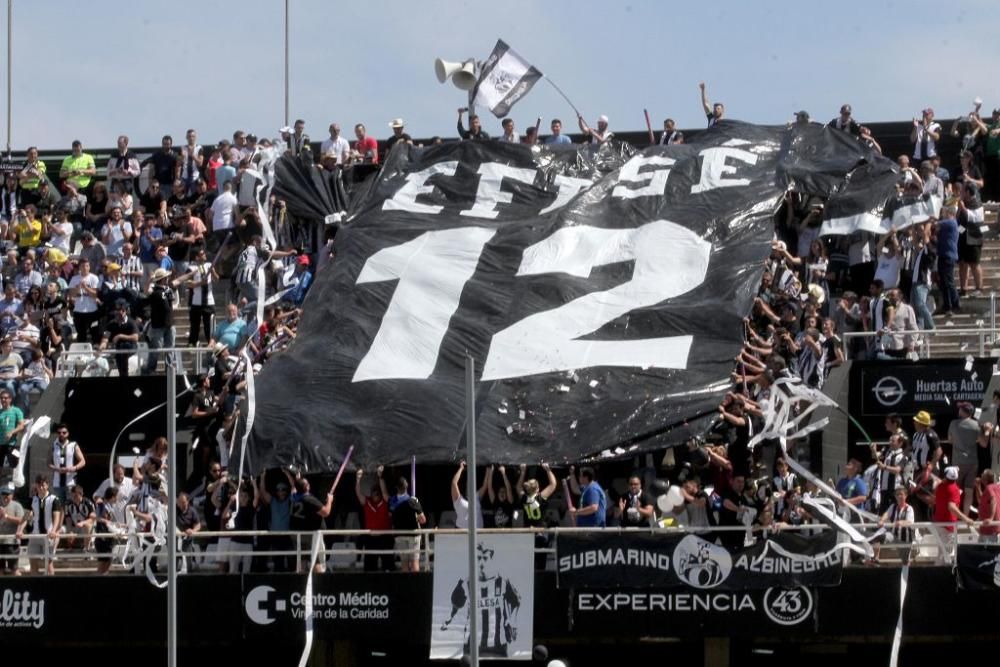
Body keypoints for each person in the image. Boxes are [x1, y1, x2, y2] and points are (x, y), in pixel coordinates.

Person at [517, 463, 557, 569]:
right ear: (537, 489)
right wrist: (548, 470)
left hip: (528, 533)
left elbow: (517, 487)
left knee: (528, 563)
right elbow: (553, 484)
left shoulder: (524, 498)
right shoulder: (540, 498)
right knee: (540, 564)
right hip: (540, 534)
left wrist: (523, 472)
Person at [933, 466, 976, 562]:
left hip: (938, 524)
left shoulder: (940, 486)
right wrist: (966, 519)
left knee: (941, 553)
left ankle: (938, 572)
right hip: (948, 526)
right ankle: (942, 575)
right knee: (946, 555)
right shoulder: (954, 489)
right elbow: (951, 507)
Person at [354, 466, 392, 572]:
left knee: (387, 566)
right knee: (370, 568)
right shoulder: (367, 502)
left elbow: (384, 492)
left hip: (385, 538)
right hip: (371, 539)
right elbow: (358, 493)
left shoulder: (385, 502)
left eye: (376, 493)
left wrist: (380, 478)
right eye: (373, 492)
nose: (374, 494)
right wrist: (358, 480)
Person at [257, 469, 294, 572]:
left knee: (292, 560)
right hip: (275, 535)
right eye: (278, 489)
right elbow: (262, 490)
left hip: (287, 535)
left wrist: (287, 473)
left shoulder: (289, 500)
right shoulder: (272, 500)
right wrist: (263, 476)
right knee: (278, 562)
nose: (281, 491)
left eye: (283, 489)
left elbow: (293, 487)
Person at [948, 402, 981, 514]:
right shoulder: (977, 425)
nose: (958, 411)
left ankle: (955, 515)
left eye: (960, 409)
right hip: (972, 462)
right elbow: (983, 443)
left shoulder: (953, 424)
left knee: (955, 489)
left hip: (958, 462)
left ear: (963, 411)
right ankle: (965, 515)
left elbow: (950, 440)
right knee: (969, 491)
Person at [389, 476, 426, 572]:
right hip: (413, 534)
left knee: (404, 563)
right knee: (414, 563)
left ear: (397, 487)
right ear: (407, 486)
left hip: (399, 535)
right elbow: (423, 520)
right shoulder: (413, 500)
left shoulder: (392, 501)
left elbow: (390, 515)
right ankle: (415, 585)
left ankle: (406, 586)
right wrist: (416, 518)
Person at [28, 475, 62, 575]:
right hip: (35, 535)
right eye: (39, 485)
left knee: (49, 563)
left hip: (48, 536)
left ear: (47, 485)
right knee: (33, 562)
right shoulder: (32, 499)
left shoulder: (54, 499)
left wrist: (54, 531)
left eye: (43, 485)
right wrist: (20, 529)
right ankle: (35, 586)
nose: (41, 487)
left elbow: (57, 517)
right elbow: (26, 516)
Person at [877, 486, 915, 564]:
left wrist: (900, 523)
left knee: (905, 561)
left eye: (901, 494)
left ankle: (906, 573)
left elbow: (909, 522)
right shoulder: (893, 506)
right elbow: (887, 514)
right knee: (878, 536)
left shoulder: (909, 508)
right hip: (893, 536)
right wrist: (881, 520)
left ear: (906, 495)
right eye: (897, 494)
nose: (899, 496)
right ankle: (874, 558)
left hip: (905, 539)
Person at [935, 201, 960, 315]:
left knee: (948, 282)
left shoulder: (951, 222)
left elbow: (936, 224)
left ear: (949, 213)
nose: (942, 215)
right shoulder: (948, 224)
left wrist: (931, 219)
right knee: (945, 282)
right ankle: (949, 304)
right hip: (944, 255)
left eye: (944, 213)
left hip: (947, 256)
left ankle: (953, 304)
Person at [48, 423, 85, 501]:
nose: (61, 434)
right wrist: (57, 469)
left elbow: (83, 461)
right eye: (59, 433)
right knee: (59, 506)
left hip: (70, 482)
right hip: (57, 482)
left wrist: (73, 468)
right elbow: (48, 463)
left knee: (70, 504)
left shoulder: (73, 445)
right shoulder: (53, 446)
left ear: (68, 433)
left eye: (64, 433)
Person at [450, 460, 487, 528]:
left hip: (479, 532)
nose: (470, 486)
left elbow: (485, 486)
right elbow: (454, 483)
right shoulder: (459, 500)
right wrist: (461, 468)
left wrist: (488, 470)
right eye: (468, 485)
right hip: (462, 532)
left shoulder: (476, 496)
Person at [0, 482, 26, 575]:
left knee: (14, 569)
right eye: (3, 494)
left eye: (8, 494)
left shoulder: (16, 505)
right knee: (0, 570)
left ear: (12, 495)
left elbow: (22, 520)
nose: (5, 497)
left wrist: (6, 516)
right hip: (0, 541)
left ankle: (19, 587)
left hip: (12, 542)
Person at [62, 484, 96, 551]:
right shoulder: (67, 504)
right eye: (72, 495)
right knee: (61, 529)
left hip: (86, 527)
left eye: (76, 496)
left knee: (87, 526)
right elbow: (68, 519)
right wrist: (70, 531)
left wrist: (83, 522)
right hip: (74, 527)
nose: (74, 498)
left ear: (81, 494)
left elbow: (92, 518)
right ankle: (68, 548)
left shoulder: (88, 503)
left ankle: (86, 549)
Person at [0, 388, 24, 468]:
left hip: (12, 444)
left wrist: (11, 432)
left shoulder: (16, 410)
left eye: (5, 398)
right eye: (1, 398)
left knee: (14, 466)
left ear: (10, 399)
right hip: (1, 443)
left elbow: (21, 425)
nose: (3, 400)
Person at [977, 470, 1000, 543]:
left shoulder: (989, 488)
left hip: (989, 529)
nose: (981, 475)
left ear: (985, 478)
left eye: (982, 474)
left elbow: (993, 500)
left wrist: (991, 518)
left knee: (987, 551)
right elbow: (981, 500)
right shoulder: (995, 487)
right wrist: (978, 486)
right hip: (990, 528)